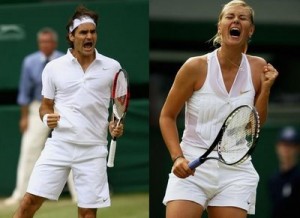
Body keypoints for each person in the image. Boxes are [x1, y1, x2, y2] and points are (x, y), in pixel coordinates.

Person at [159, 1, 278, 218]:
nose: (235, 21)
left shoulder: (259, 67)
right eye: (230, 16)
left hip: (236, 170)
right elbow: (167, 116)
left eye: (242, 18)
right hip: (192, 165)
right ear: (219, 26)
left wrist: (266, 90)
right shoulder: (194, 67)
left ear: (250, 30)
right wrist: (177, 157)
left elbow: (255, 125)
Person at [13, 5, 124, 218]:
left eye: (93, 31)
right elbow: (45, 104)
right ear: (71, 36)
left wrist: (115, 124)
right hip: (59, 145)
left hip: (93, 149)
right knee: (28, 203)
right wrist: (47, 117)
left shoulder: (112, 67)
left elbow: (118, 110)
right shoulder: (53, 68)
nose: (89, 36)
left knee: (88, 214)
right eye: (83, 32)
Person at [4, 27, 77, 206]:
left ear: (55, 43)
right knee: (29, 150)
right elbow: (24, 92)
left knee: (72, 149)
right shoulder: (29, 62)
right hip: (38, 107)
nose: (45, 45)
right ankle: (20, 194)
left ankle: (80, 195)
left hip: (62, 107)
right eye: (42, 42)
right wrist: (24, 117)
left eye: (48, 41)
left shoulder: (65, 60)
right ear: (39, 44)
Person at [268, 126, 300, 218]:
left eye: (290, 145)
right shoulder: (273, 180)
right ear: (277, 147)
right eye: (283, 144)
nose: (286, 149)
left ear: (297, 148)